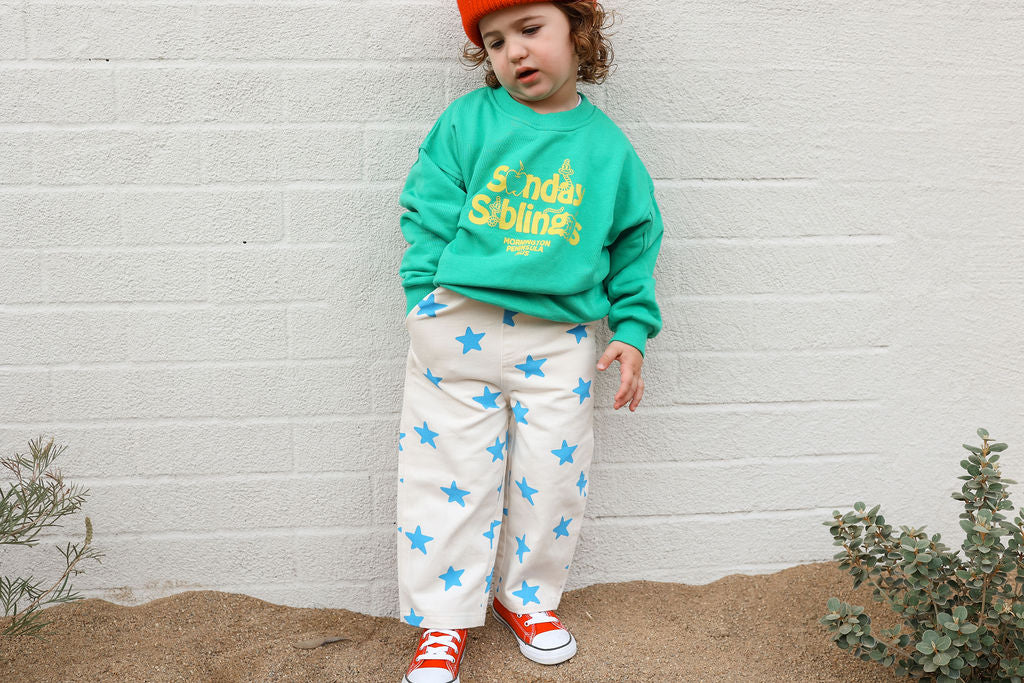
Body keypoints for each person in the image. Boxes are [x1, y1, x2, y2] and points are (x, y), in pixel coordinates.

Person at [395, 1, 664, 681]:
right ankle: (443, 620)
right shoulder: (467, 123)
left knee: (554, 477)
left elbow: (636, 241)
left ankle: (529, 598)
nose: (513, 52)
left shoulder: (607, 148)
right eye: (494, 41)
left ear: (578, 32)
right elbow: (427, 209)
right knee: (450, 475)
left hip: (560, 339)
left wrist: (631, 331)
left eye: (530, 30)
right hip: (457, 328)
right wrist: (423, 301)